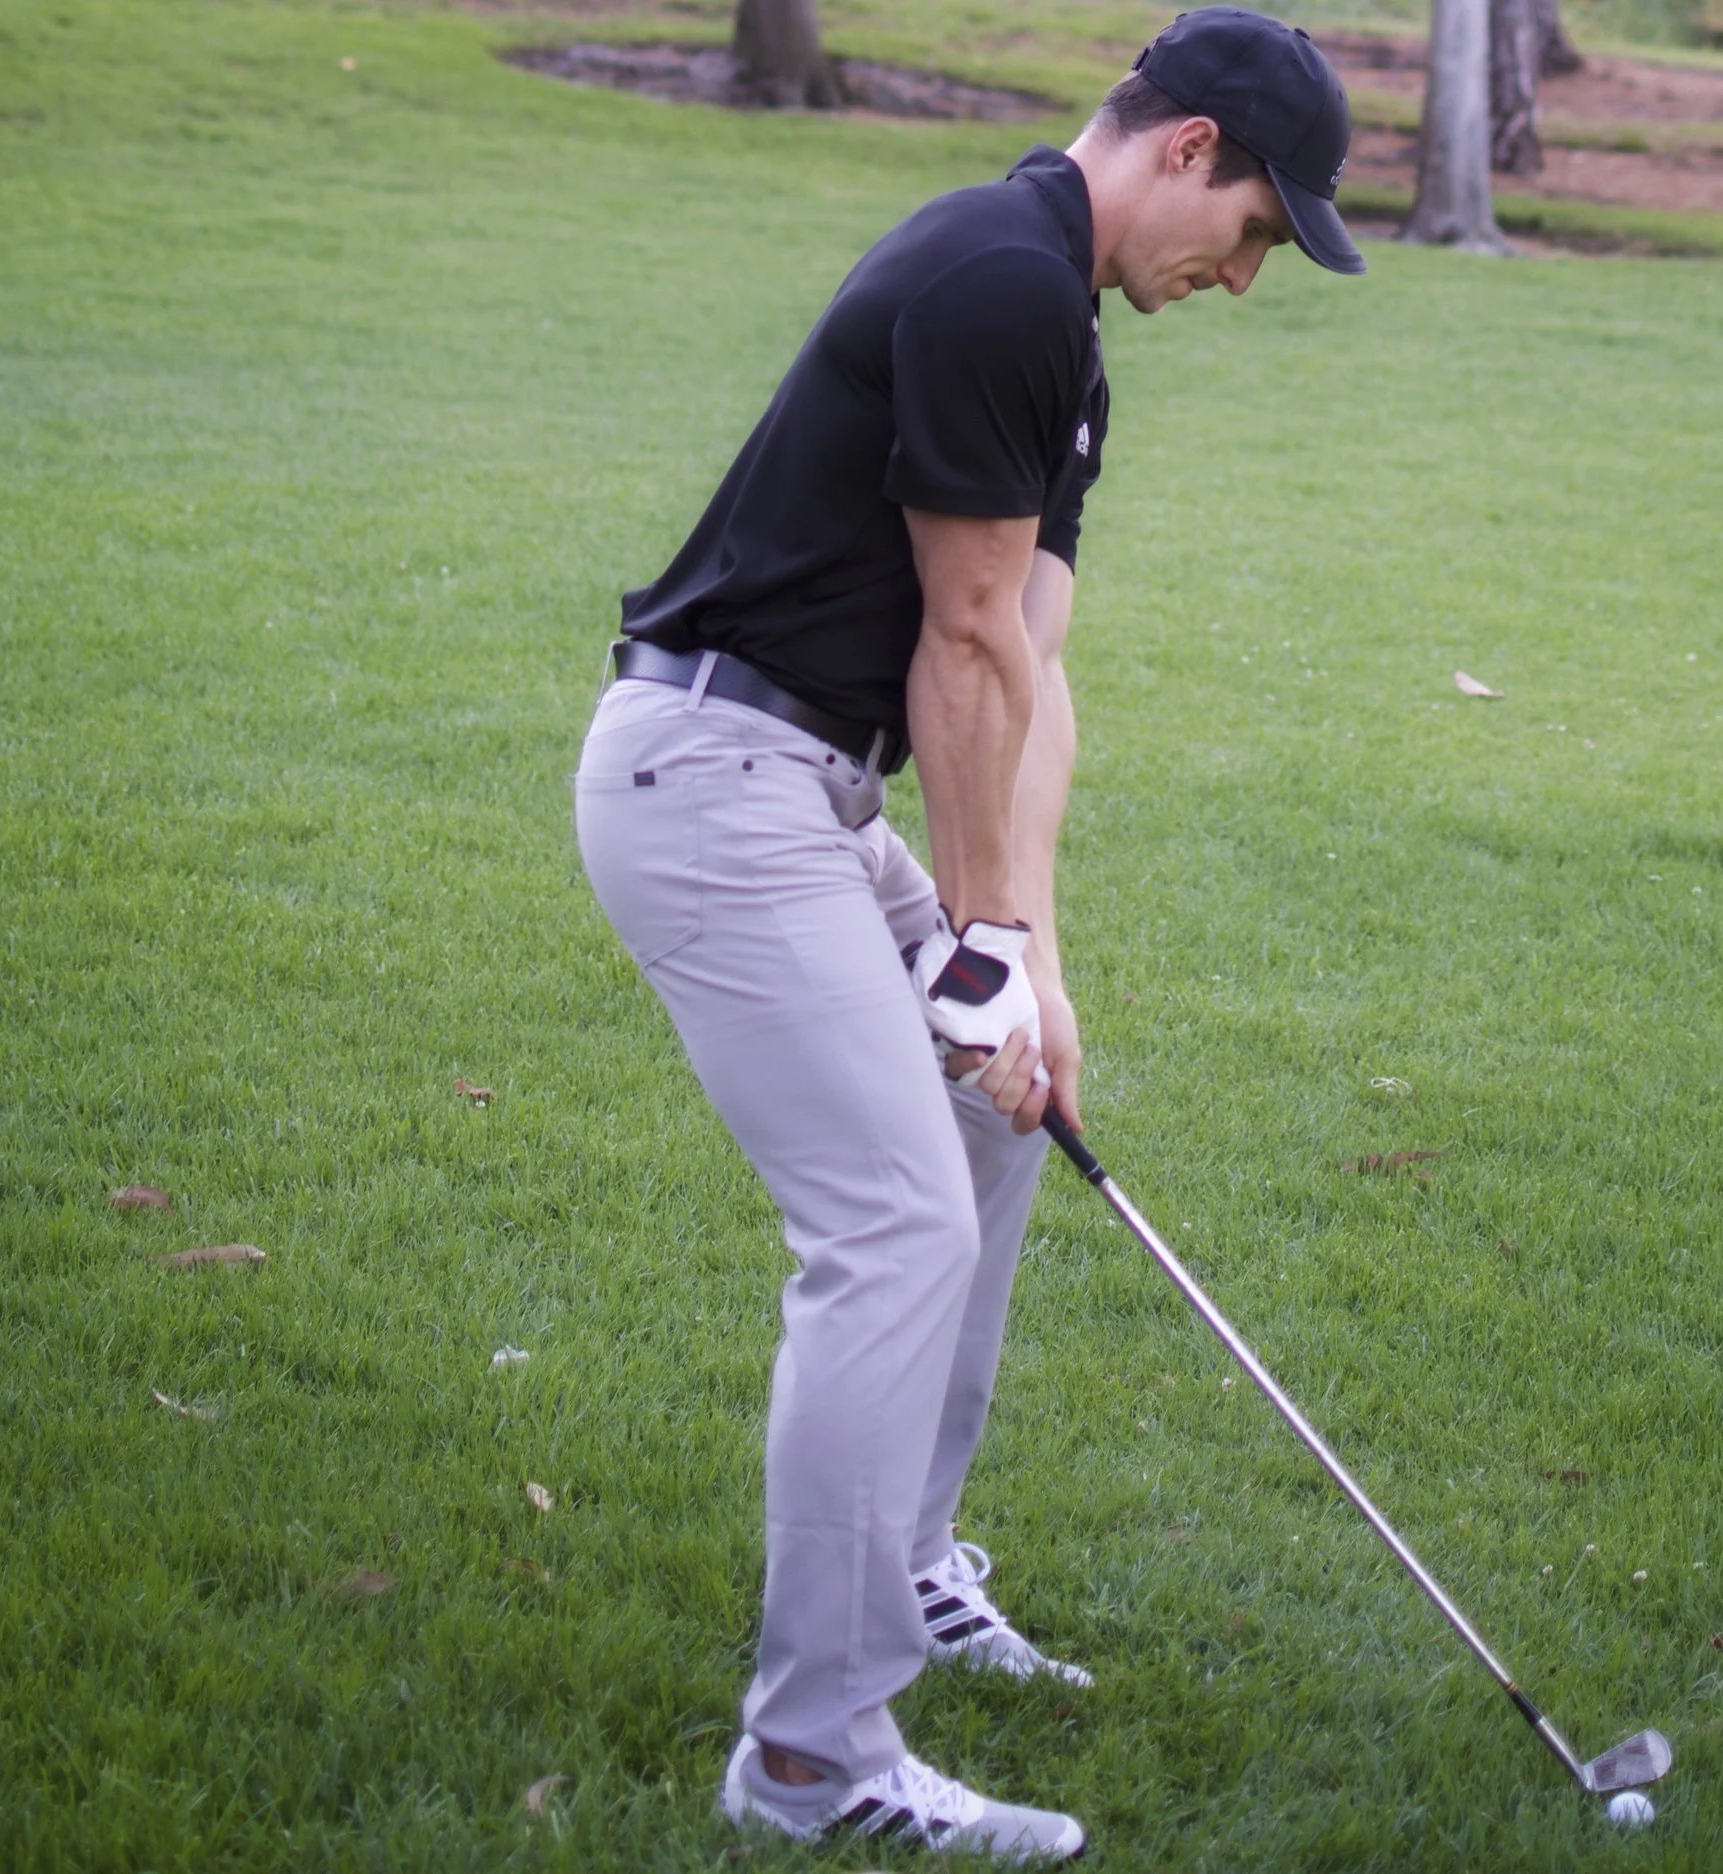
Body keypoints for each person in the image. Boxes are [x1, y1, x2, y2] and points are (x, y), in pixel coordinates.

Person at [572, 9, 1362, 1858]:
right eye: (1255, 228)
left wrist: (1034, 966)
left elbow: (1032, 661)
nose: (1247, 275)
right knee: (889, 1222)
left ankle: (909, 1563)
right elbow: (962, 640)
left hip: (802, 790)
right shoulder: (1003, 282)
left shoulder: (1063, 333)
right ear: (1184, 152)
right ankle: (812, 1762)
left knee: (992, 1131)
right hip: (716, 775)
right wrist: (976, 934)